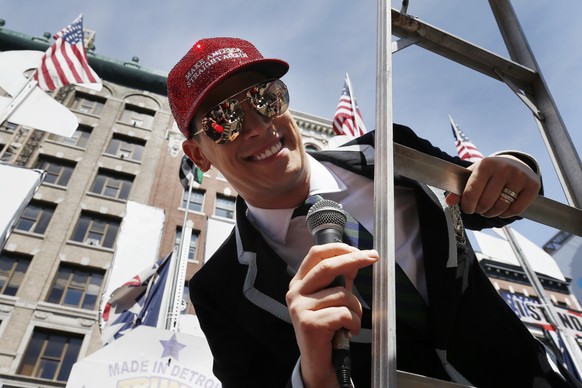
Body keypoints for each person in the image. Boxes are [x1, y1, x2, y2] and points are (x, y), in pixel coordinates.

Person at [167, 37, 579, 388]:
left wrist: (518, 167)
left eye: (266, 98)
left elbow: (489, 199)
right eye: (226, 119)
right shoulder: (218, 290)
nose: (258, 126)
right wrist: (313, 373)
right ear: (198, 155)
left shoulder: (391, 151)